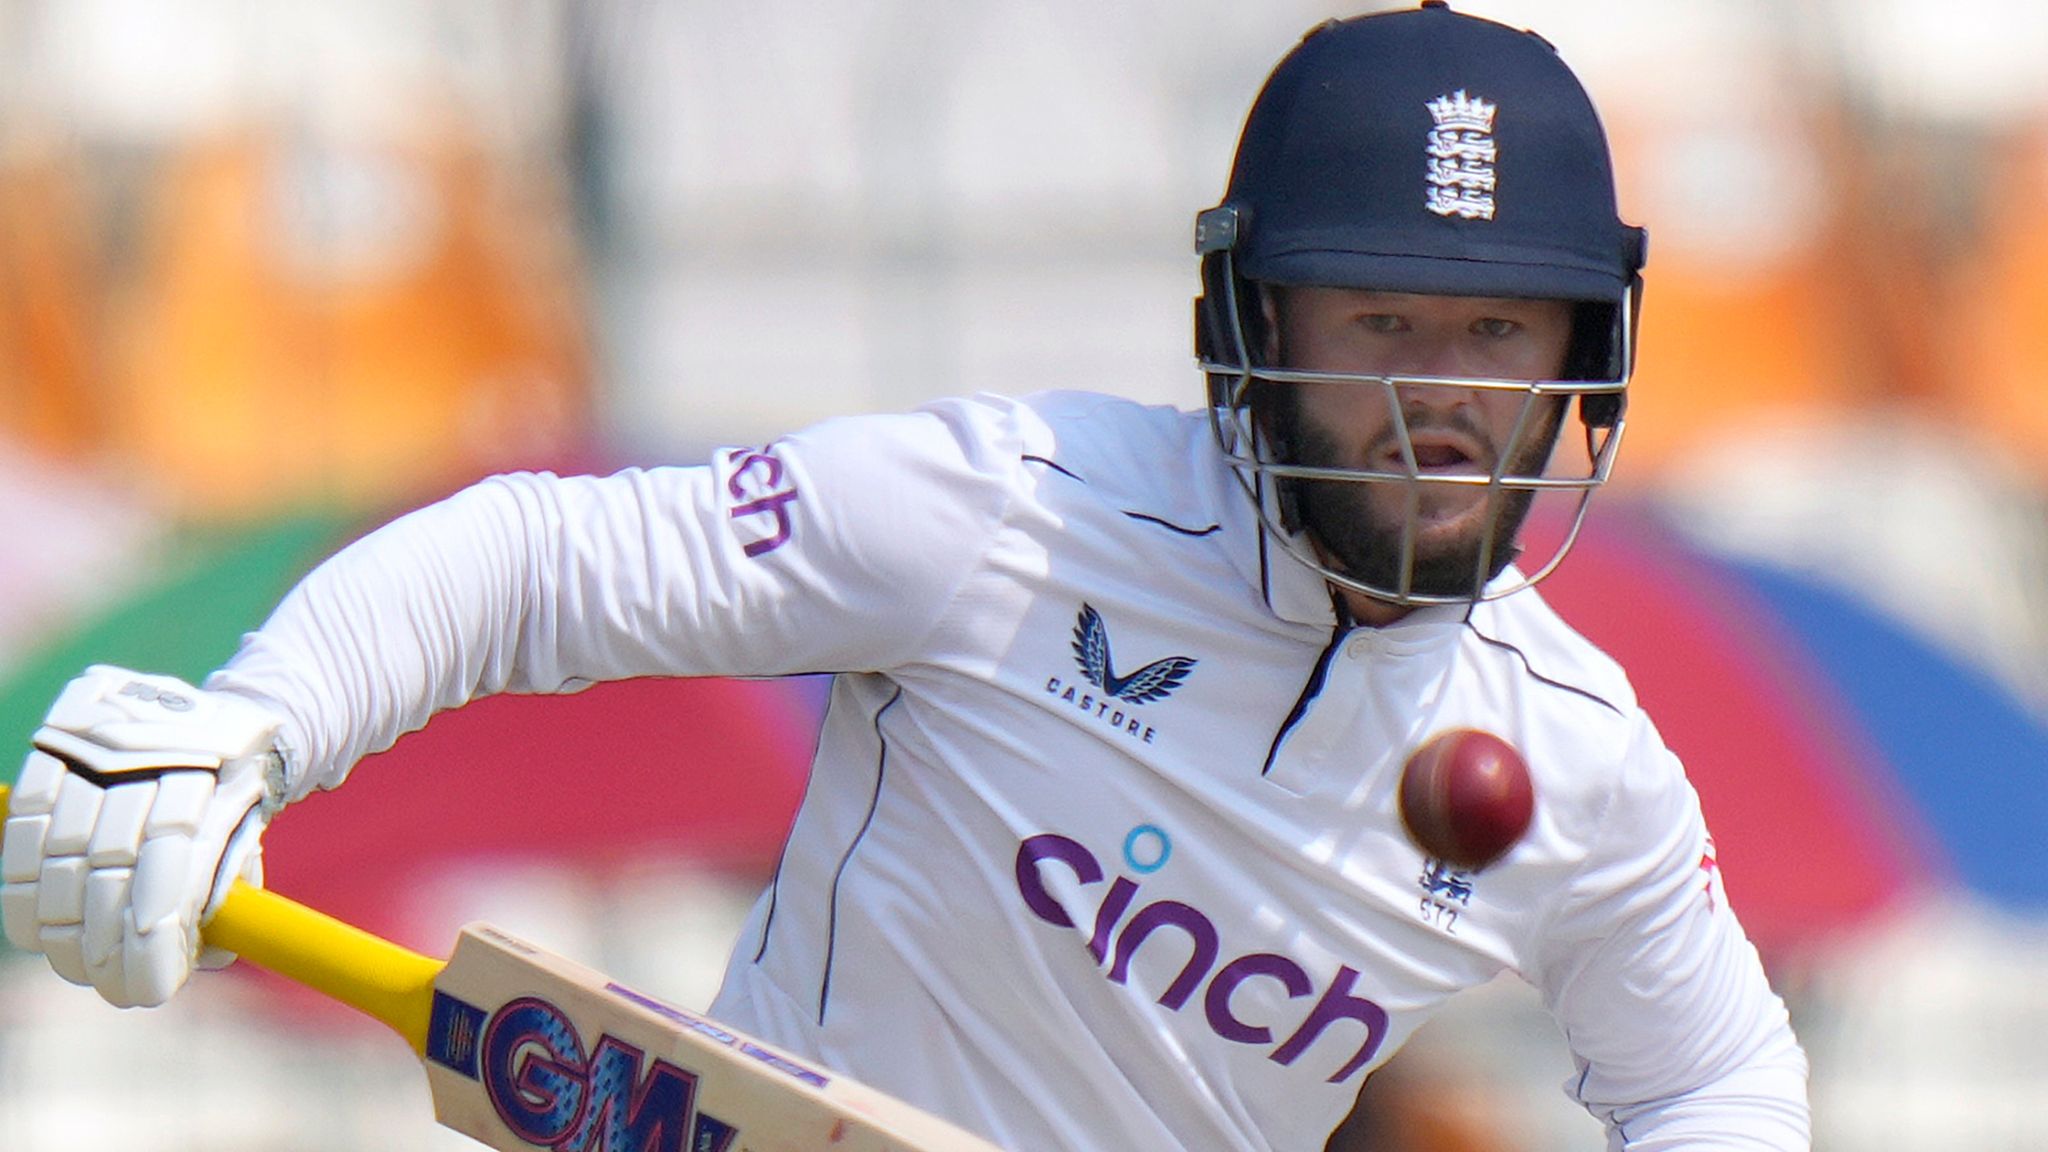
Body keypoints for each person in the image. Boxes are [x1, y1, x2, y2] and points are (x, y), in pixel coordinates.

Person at [1, 5, 1810, 1150]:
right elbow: (538, 563)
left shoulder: (1585, 766)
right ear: (1251, 327)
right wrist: (250, 732)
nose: (1439, 401)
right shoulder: (1005, 514)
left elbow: (1717, 1084)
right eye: (1383, 322)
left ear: (1590, 357)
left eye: (1498, 332)